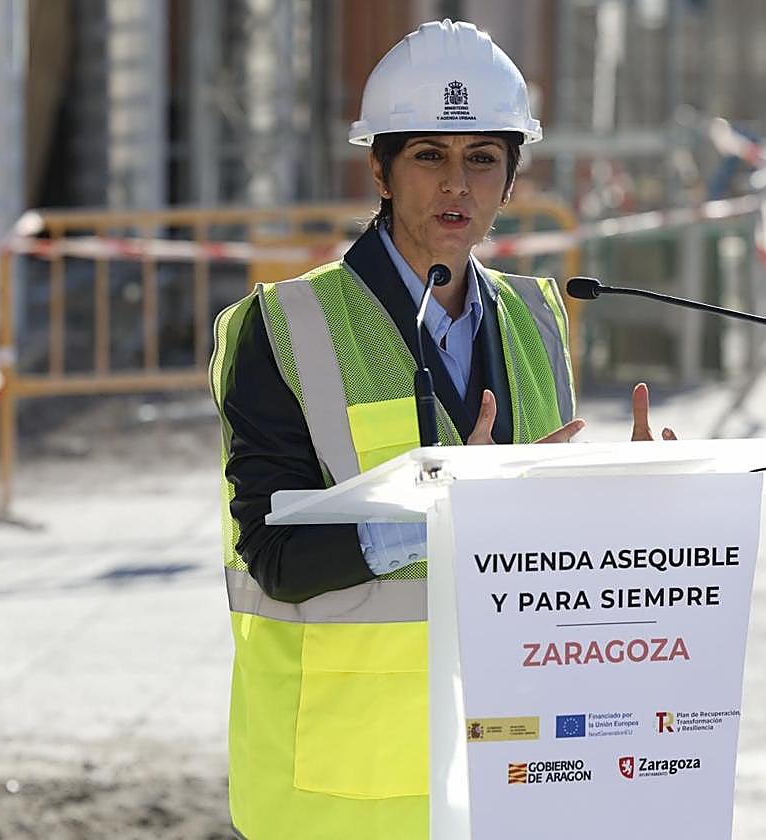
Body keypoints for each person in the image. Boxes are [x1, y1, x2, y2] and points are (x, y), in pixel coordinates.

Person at [209, 19, 672, 839]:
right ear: (380, 168)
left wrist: (626, 502)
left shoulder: (537, 319)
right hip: (339, 793)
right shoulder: (283, 327)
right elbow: (273, 559)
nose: (457, 185)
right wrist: (444, 509)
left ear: (509, 178)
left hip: (506, 774)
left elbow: (543, 553)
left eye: (482, 159)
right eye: (429, 155)